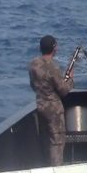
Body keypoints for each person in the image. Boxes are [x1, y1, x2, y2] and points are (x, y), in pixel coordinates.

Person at [28, 35, 73, 166]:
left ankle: (46, 167)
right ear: (54, 49)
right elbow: (63, 90)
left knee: (45, 140)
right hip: (54, 111)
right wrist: (70, 79)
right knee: (57, 142)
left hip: (40, 106)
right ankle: (56, 171)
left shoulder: (33, 65)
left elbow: (33, 85)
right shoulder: (53, 67)